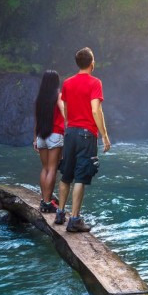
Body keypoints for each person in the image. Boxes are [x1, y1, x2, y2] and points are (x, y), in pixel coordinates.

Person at [55, 47, 110, 232]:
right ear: (92, 63)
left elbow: (66, 109)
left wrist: (69, 126)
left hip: (70, 132)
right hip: (87, 134)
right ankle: (75, 220)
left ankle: (60, 214)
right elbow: (96, 110)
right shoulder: (95, 83)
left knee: (66, 174)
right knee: (81, 176)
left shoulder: (68, 83)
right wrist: (104, 135)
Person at [33, 70, 66, 213]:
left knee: (45, 168)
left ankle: (44, 200)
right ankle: (48, 203)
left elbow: (36, 121)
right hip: (55, 135)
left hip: (41, 136)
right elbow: (65, 113)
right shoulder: (58, 96)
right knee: (52, 169)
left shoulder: (40, 100)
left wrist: (35, 139)